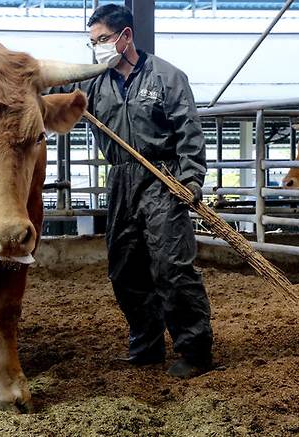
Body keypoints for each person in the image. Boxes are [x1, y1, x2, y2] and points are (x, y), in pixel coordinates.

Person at [49, 4, 213, 378]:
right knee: (124, 268)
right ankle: (146, 345)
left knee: (171, 266)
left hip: (163, 177)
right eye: (93, 42)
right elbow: (51, 88)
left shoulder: (168, 77)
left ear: (126, 37)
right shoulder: (92, 82)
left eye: (103, 39)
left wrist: (191, 179)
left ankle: (195, 350)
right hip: (121, 179)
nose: (98, 48)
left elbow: (188, 130)